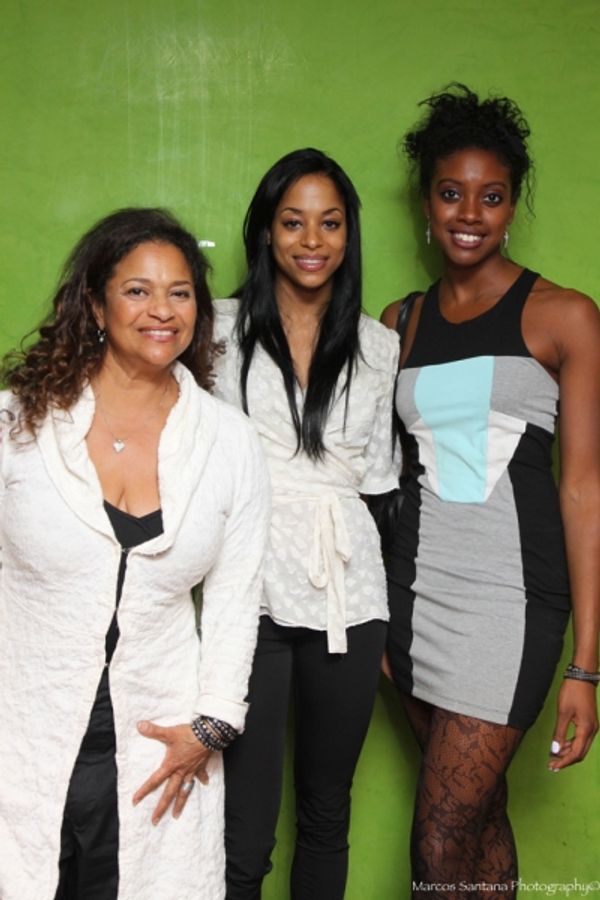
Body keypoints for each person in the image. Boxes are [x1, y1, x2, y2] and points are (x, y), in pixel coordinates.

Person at [0, 207, 270, 900]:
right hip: (22, 728)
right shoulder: (15, 421)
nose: (162, 311)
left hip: (157, 743)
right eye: (137, 290)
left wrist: (211, 728)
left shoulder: (230, 442)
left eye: (180, 293)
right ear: (95, 303)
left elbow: (238, 597)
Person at [381, 84, 600, 898]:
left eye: (492, 195)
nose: (469, 213)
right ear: (427, 205)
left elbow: (583, 490)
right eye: (450, 193)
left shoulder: (565, 317)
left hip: (510, 605)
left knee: (438, 837)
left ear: (512, 205)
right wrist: (372, 609)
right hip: (411, 596)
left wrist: (588, 665)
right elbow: (381, 476)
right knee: (480, 817)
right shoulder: (397, 321)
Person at [212, 148, 399, 900]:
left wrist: (395, 621)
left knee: (326, 812)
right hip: (246, 589)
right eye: (293, 222)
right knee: (244, 827)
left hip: (348, 598)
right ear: (266, 231)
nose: (312, 240)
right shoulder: (218, 330)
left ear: (349, 234)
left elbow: (382, 482)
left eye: (329, 223)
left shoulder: (379, 346)